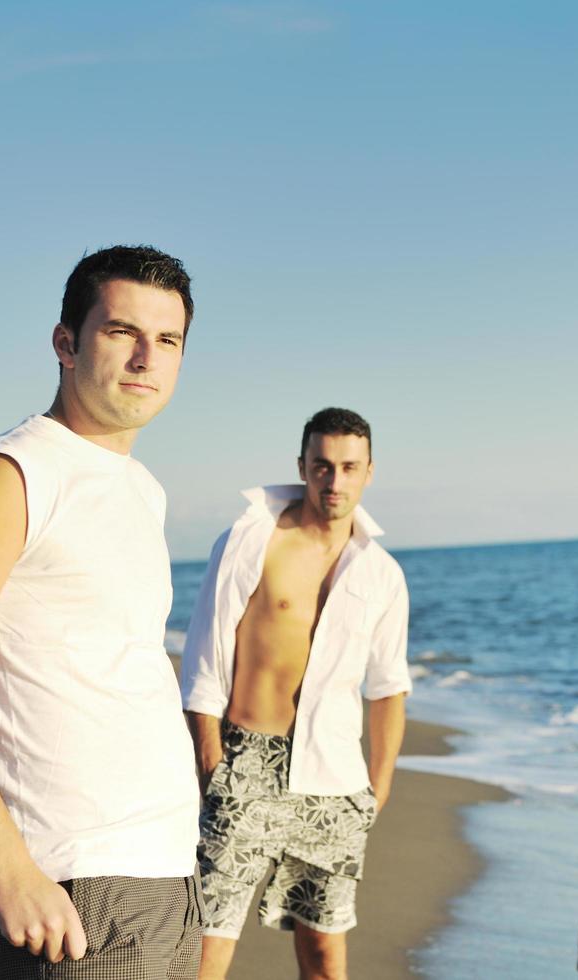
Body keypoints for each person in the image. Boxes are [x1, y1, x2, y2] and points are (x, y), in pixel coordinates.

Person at [0, 245, 204, 979]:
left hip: (162, 868)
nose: (145, 359)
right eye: (122, 332)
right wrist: (10, 867)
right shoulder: (9, 476)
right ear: (66, 343)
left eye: (168, 341)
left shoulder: (141, 489)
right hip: (70, 883)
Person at [180, 407, 411, 980]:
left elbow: (387, 688)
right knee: (208, 942)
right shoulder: (251, 540)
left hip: (335, 780)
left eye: (349, 468)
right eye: (323, 467)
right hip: (247, 762)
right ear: (303, 467)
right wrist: (213, 761)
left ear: (369, 472)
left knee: (324, 954)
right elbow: (204, 656)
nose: (335, 482)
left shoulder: (382, 574)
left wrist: (375, 791)